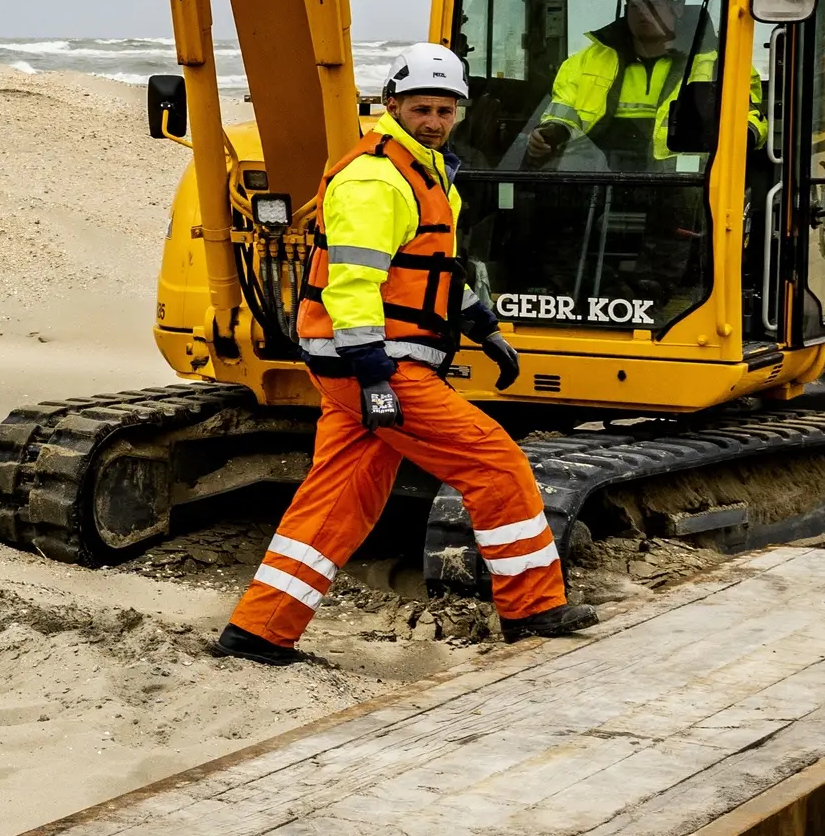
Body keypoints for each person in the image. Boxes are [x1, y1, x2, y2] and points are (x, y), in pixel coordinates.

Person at [217, 44, 597, 665]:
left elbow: (430, 269)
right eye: (422, 108)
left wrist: (479, 321)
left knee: (340, 496)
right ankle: (531, 610)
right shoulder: (375, 179)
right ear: (392, 105)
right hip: (374, 363)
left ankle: (258, 631)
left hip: (365, 364)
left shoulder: (426, 171)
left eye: (446, 110)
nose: (435, 121)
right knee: (496, 463)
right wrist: (373, 375)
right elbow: (354, 284)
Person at [524, 0, 717, 166]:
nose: (643, 11)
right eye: (635, 4)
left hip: (686, 184)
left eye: (653, 4)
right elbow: (563, 112)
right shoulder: (586, 62)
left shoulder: (718, 64)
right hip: (601, 178)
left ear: (678, 8)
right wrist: (548, 134)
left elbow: (747, 120)